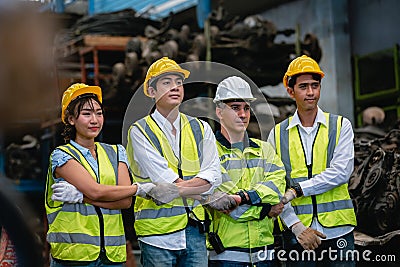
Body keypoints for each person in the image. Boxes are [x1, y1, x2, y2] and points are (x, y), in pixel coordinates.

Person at [45, 83, 155, 266]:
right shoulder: (62, 155)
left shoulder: (116, 152)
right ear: (71, 119)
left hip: (112, 256)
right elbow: (96, 191)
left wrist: (82, 197)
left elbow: (125, 201)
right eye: (87, 114)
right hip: (75, 256)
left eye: (99, 113)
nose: (95, 120)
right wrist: (137, 188)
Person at [126, 57, 223, 267]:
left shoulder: (201, 128)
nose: (175, 87)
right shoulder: (140, 131)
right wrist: (204, 192)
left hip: (195, 231)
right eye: (166, 82)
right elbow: (164, 180)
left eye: (178, 82)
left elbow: (214, 176)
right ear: (151, 92)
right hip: (157, 235)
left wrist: (185, 189)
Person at [269, 55, 357, 266]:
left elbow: (340, 173)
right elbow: (275, 187)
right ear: (290, 91)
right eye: (304, 86)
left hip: (339, 232)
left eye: (315, 86)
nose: (311, 92)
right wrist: (297, 227)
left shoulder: (340, 126)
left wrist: (298, 189)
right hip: (298, 236)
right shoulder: (277, 135)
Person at [207, 76, 286, 267]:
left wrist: (243, 197)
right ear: (219, 111)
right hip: (228, 256)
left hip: (265, 255)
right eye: (235, 108)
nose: (242, 114)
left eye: (246, 108)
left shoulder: (264, 150)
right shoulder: (210, 153)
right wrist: (266, 209)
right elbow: (229, 210)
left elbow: (277, 188)